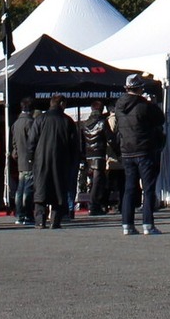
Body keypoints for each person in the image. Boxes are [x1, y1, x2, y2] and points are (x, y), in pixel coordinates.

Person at [113, 73, 166, 236]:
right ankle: (148, 224)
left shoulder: (118, 106)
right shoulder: (144, 105)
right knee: (148, 188)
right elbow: (160, 120)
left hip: (126, 150)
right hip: (144, 149)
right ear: (140, 88)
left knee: (129, 188)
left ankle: (127, 224)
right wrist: (152, 103)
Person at [30, 96, 80, 229]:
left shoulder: (40, 119)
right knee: (59, 190)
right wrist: (74, 160)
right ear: (62, 104)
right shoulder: (67, 121)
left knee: (41, 189)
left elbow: (32, 140)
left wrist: (31, 157)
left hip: (41, 160)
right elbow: (74, 144)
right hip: (61, 160)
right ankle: (55, 220)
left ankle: (40, 220)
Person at [80, 99, 114, 215]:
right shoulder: (102, 122)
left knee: (94, 181)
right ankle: (94, 205)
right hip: (99, 154)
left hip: (88, 155)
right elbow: (110, 138)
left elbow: (82, 141)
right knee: (98, 181)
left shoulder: (85, 123)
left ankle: (94, 204)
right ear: (101, 109)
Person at [10, 97, 40, 227]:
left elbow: (14, 144)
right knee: (27, 189)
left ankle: (19, 214)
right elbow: (33, 142)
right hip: (30, 159)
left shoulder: (16, 123)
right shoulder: (30, 123)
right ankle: (26, 214)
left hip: (20, 160)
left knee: (20, 188)